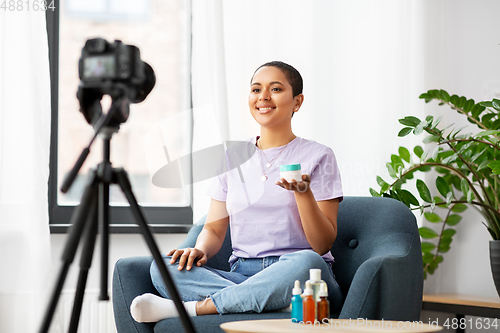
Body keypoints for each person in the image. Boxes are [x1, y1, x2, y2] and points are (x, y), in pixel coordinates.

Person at [130, 61, 344, 322]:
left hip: (302, 275)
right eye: (256, 89)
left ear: (297, 102)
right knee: (163, 267)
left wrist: (303, 193)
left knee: (307, 262)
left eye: (275, 89)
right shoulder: (232, 157)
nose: (263, 96)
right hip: (241, 272)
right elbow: (214, 229)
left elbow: (322, 244)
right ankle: (272, 302)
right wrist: (200, 249)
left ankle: (196, 308)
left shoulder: (319, 155)